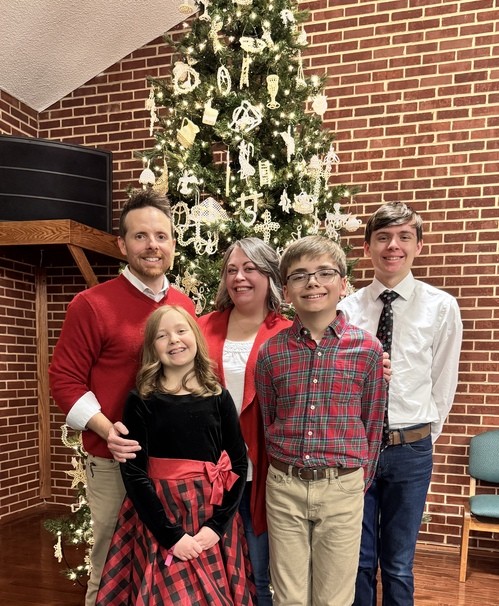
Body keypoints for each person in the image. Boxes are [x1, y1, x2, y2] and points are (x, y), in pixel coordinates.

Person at [49, 189, 196, 606]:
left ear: (172, 244)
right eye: (140, 236)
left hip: (172, 462)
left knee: (165, 564)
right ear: (122, 244)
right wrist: (105, 429)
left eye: (161, 236)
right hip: (114, 462)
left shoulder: (184, 306)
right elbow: (64, 380)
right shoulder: (91, 305)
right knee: (111, 564)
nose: (152, 245)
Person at [337, 202, 463, 606]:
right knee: (358, 560)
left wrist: (421, 437)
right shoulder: (347, 309)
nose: (393, 246)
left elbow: (443, 382)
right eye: (383, 237)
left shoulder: (441, 307)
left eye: (404, 237)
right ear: (368, 247)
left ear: (418, 246)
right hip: (357, 448)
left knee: (398, 563)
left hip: (411, 449)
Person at [255, 235, 387, 606]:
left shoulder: (368, 350)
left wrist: (353, 483)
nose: (312, 282)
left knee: (334, 598)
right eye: (299, 275)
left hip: (342, 486)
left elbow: (372, 424)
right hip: (285, 487)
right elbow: (269, 420)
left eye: (324, 273)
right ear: (286, 291)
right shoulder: (271, 353)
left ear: (343, 284)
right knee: (288, 597)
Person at [95, 305, 254, 605]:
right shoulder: (141, 399)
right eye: (162, 336)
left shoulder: (218, 396)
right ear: (152, 348)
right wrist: (171, 536)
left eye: (181, 331)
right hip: (162, 515)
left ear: (195, 336)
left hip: (210, 514)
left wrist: (217, 526)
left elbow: (237, 463)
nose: (174, 340)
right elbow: (134, 472)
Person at [198, 238, 292, 605]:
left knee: (258, 572)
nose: (239, 277)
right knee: (213, 570)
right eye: (232, 270)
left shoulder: (288, 332)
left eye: (250, 268)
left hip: (261, 474)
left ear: (269, 276)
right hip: (210, 472)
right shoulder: (201, 328)